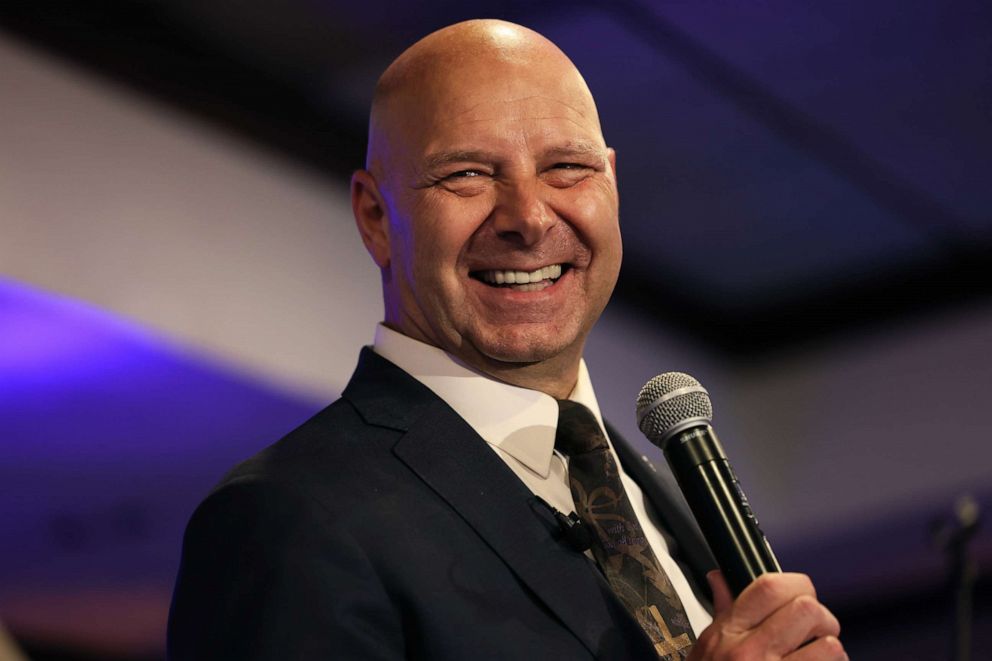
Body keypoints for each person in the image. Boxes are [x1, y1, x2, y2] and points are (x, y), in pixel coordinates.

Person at [168, 19, 846, 660]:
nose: (527, 215)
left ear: (611, 183)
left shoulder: (655, 493)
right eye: (466, 173)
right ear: (376, 216)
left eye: (567, 168)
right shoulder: (288, 516)